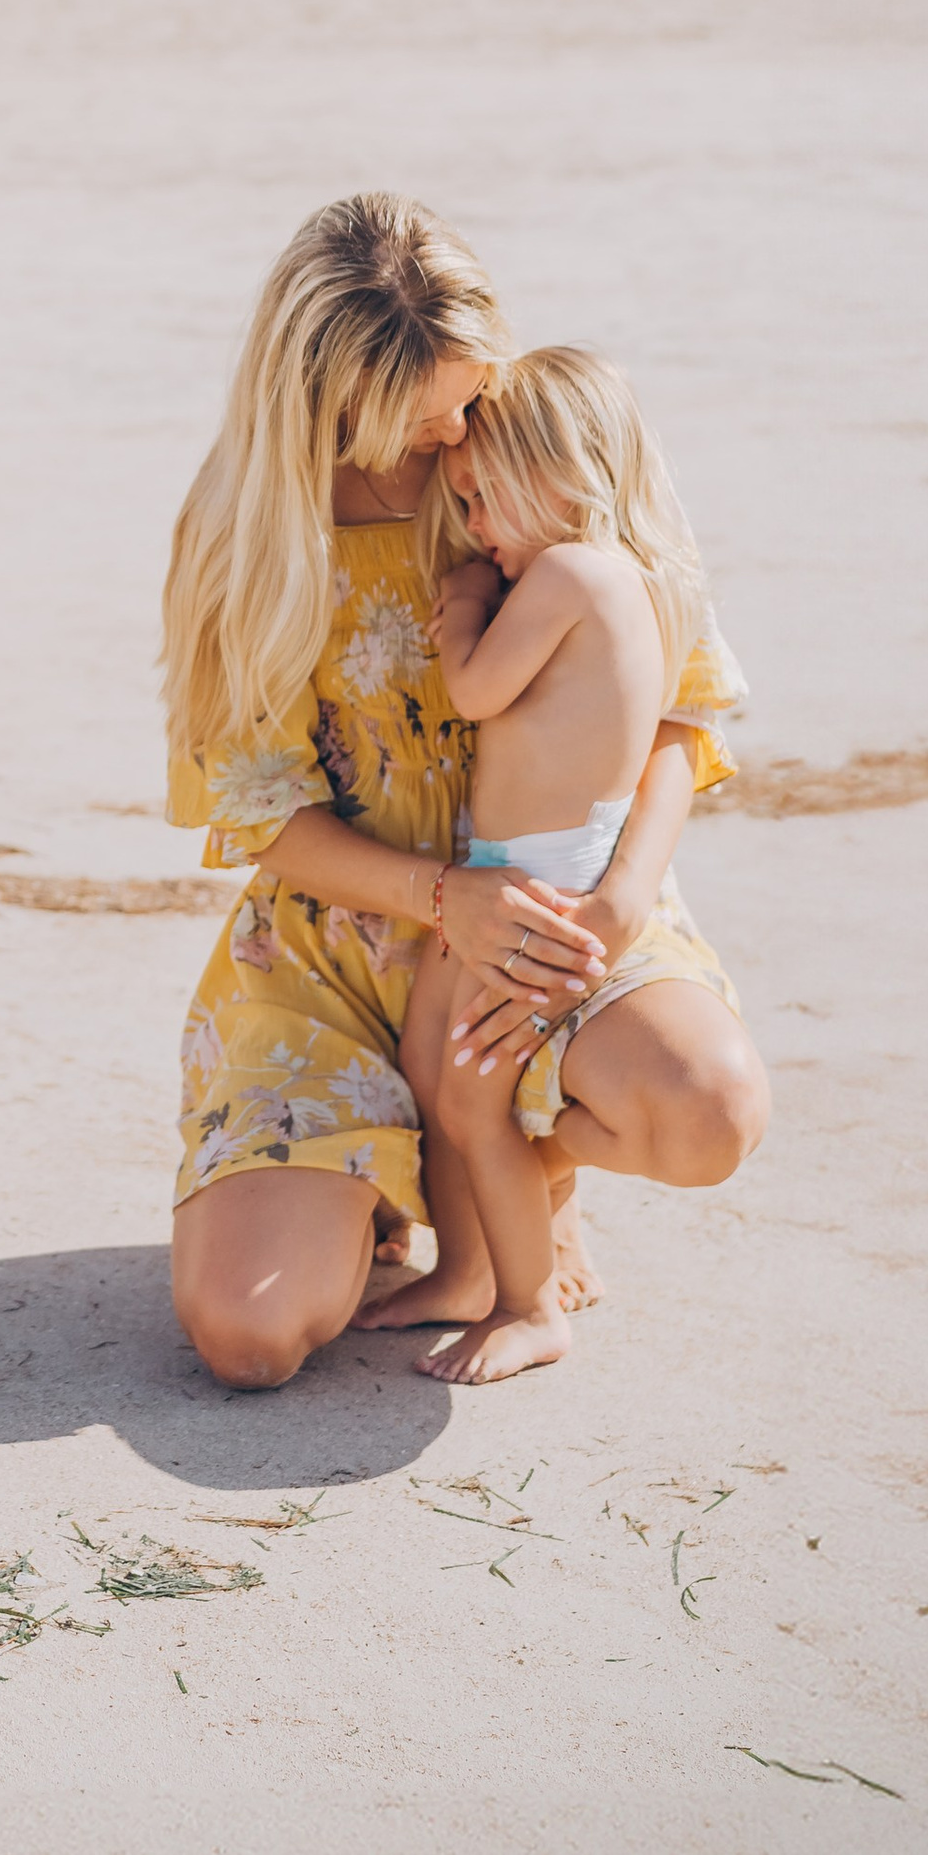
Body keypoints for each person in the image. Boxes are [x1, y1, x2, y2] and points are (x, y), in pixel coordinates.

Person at [162, 193, 767, 1391]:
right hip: (343, 947)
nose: (454, 443)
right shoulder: (242, 538)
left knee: (709, 1112)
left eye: (466, 401)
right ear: (325, 400)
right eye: (423, 420)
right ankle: (380, 1189)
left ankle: (521, 1181)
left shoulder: (543, 459)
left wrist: (621, 900)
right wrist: (446, 900)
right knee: (250, 1337)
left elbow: (678, 710)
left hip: (559, 907)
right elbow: (259, 813)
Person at [381, 345, 725, 1384]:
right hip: (529, 869)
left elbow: (479, 692)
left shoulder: (571, 572)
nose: (476, 529)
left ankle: (527, 1306)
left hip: (532, 886)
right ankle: (463, 1270)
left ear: (563, 481)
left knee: (472, 1104)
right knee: (437, 1073)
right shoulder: (643, 578)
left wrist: (462, 617)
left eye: (485, 501)